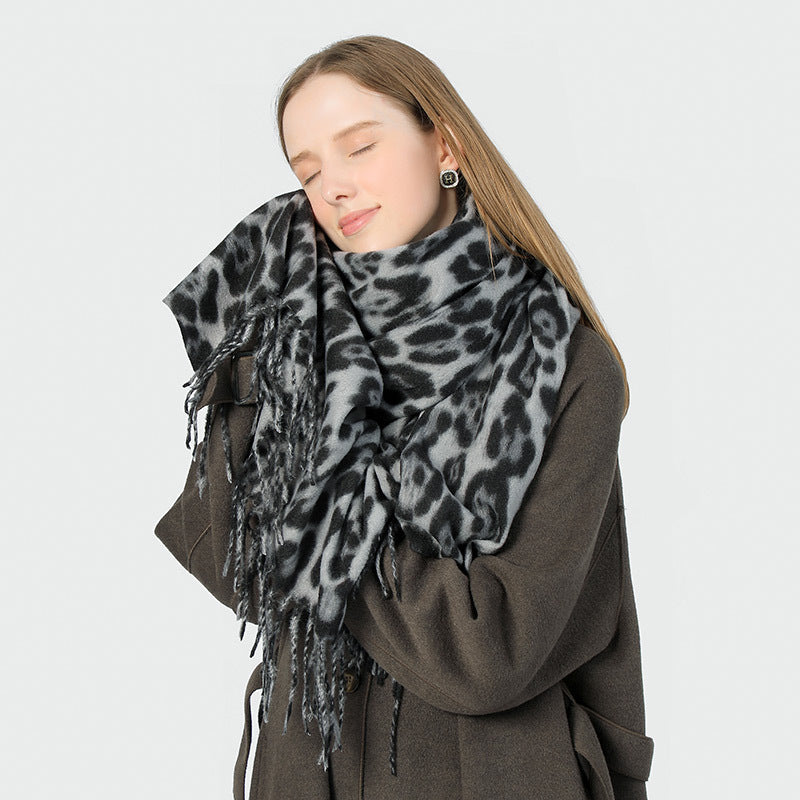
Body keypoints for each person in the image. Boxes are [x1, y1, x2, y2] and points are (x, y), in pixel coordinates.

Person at [155, 35, 654, 800]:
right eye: (307, 171)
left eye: (360, 147)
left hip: (488, 778)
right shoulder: (300, 347)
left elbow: (489, 650)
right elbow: (234, 559)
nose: (333, 187)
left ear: (444, 145)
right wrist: (268, 355)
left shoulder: (558, 363)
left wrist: (318, 516)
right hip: (307, 772)